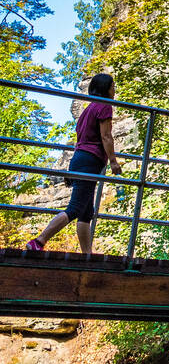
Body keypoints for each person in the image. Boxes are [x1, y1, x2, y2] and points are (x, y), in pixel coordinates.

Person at [25, 73, 122, 256]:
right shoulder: (104, 106)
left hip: (79, 158)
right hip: (90, 160)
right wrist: (113, 161)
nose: (114, 90)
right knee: (76, 208)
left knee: (86, 211)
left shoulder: (88, 109)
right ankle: (39, 241)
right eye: (112, 86)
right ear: (105, 88)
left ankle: (87, 254)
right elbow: (106, 136)